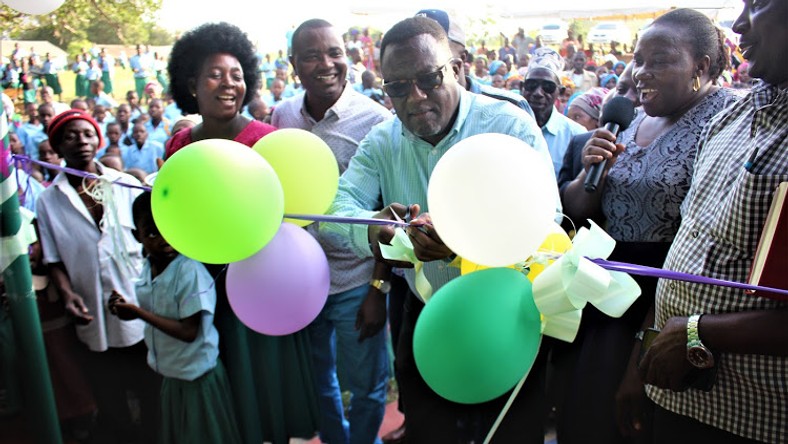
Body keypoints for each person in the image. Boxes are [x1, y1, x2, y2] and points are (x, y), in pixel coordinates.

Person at [324, 16, 558, 443]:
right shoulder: (382, 141)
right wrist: (375, 229)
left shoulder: (508, 126)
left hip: (506, 313)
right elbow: (337, 209)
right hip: (427, 311)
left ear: (456, 67)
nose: (415, 98)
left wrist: (463, 244)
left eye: (429, 79)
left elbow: (550, 220)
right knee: (428, 431)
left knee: (509, 432)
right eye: (397, 87)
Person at [558, 9, 743, 444]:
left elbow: (701, 242)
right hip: (601, 289)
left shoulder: (724, 121)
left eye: (658, 60)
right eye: (638, 59)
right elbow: (576, 208)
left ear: (700, 66)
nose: (641, 72)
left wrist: (646, 342)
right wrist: (591, 172)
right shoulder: (634, 118)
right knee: (580, 414)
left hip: (663, 299)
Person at [637, 1, 788, 442]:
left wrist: (697, 331)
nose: (739, 24)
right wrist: (640, 360)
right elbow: (685, 251)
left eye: (758, 4)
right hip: (675, 397)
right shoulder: (730, 119)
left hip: (753, 417)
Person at [164, 21, 320, 444]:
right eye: (214, 74)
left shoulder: (267, 142)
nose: (228, 84)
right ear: (191, 84)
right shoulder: (178, 145)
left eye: (237, 75)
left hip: (258, 284)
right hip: (201, 284)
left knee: (263, 383)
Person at [272, 19, 394, 444]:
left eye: (335, 53)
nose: (327, 64)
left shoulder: (376, 121)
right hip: (299, 280)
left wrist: (377, 289)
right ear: (293, 65)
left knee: (367, 386)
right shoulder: (282, 114)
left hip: (356, 282)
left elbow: (388, 216)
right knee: (318, 382)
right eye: (312, 55)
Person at [35, 110, 161, 443]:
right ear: (58, 145)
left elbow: (154, 241)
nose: (81, 142)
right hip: (92, 308)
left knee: (150, 386)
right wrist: (67, 295)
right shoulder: (49, 201)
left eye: (88, 134)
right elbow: (53, 258)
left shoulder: (125, 184)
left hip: (138, 303)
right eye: (71, 136)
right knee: (109, 392)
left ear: (98, 140)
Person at [109, 192, 242, 444]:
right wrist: (122, 309)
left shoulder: (189, 271)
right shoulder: (149, 267)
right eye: (151, 233)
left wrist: (137, 312)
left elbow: (189, 332)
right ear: (136, 236)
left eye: (169, 229)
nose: (164, 241)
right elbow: (154, 313)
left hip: (197, 375)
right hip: (172, 373)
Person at [522, 47, 586, 178]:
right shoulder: (506, 126)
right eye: (531, 85)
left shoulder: (576, 135)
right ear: (521, 88)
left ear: (560, 92)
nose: (538, 93)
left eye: (548, 87)